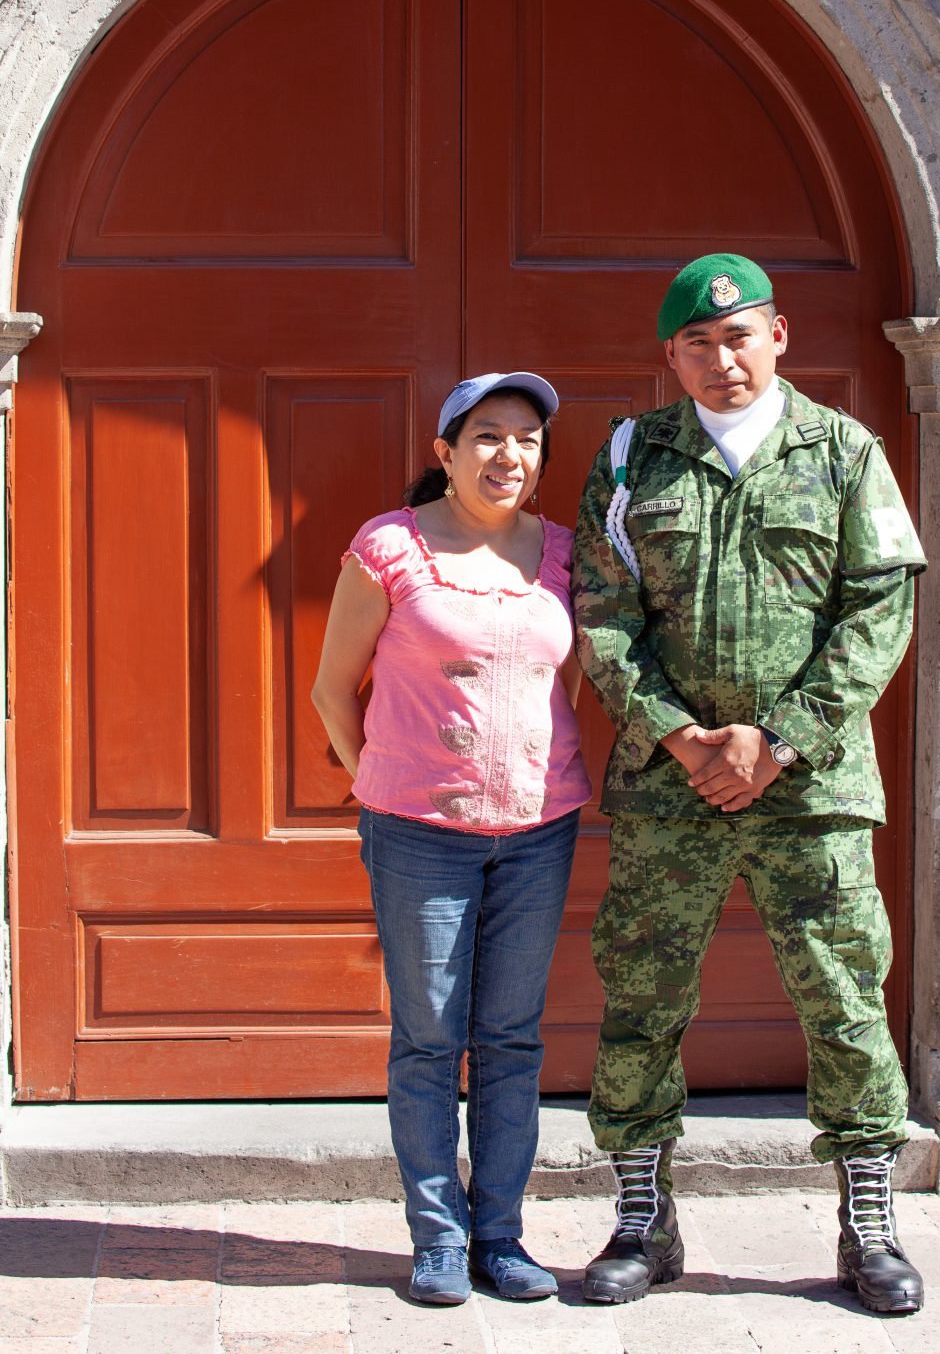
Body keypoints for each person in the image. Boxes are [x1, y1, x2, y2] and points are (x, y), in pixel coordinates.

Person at [572, 254, 927, 1317]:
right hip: (666, 789)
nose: (720, 359)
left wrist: (775, 742)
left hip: (809, 788)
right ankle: (642, 1216)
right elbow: (600, 613)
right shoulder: (635, 458)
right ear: (669, 357)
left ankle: (867, 1222)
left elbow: (879, 612)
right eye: (697, 344)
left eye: (739, 337)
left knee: (844, 1001)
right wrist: (683, 740)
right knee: (641, 1000)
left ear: (778, 335)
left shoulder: (841, 452)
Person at [312, 372, 590, 1308]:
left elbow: (571, 685)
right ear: (445, 451)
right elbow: (330, 689)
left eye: (526, 439)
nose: (507, 455)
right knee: (429, 1040)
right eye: (486, 436)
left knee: (510, 1039)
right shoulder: (389, 546)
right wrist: (384, 784)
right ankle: (437, 1235)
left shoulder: (562, 553)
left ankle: (501, 1236)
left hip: (538, 833)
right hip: (419, 837)